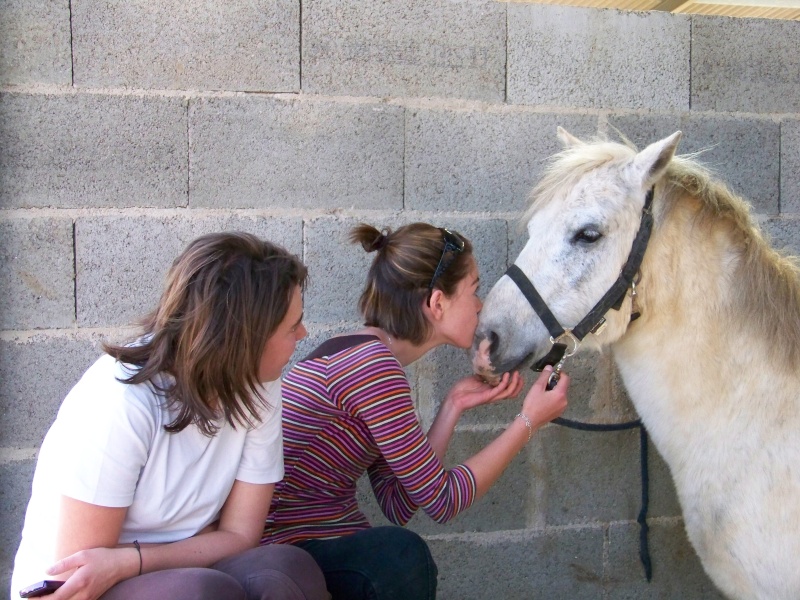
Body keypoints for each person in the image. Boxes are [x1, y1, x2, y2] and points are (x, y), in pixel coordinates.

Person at [11, 232, 329, 600]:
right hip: (78, 590)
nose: (303, 334)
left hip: (168, 569)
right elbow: (80, 573)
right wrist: (202, 542)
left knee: (288, 569)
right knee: (201, 592)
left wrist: (131, 561)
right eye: (292, 326)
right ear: (244, 339)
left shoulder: (259, 384)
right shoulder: (121, 399)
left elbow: (242, 536)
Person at [262, 223, 570, 599]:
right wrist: (528, 421)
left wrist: (453, 405)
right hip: (289, 550)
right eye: (474, 290)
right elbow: (443, 501)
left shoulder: (365, 353)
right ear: (437, 303)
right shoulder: (372, 366)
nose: (480, 305)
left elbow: (398, 502)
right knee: (402, 557)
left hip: (323, 541)